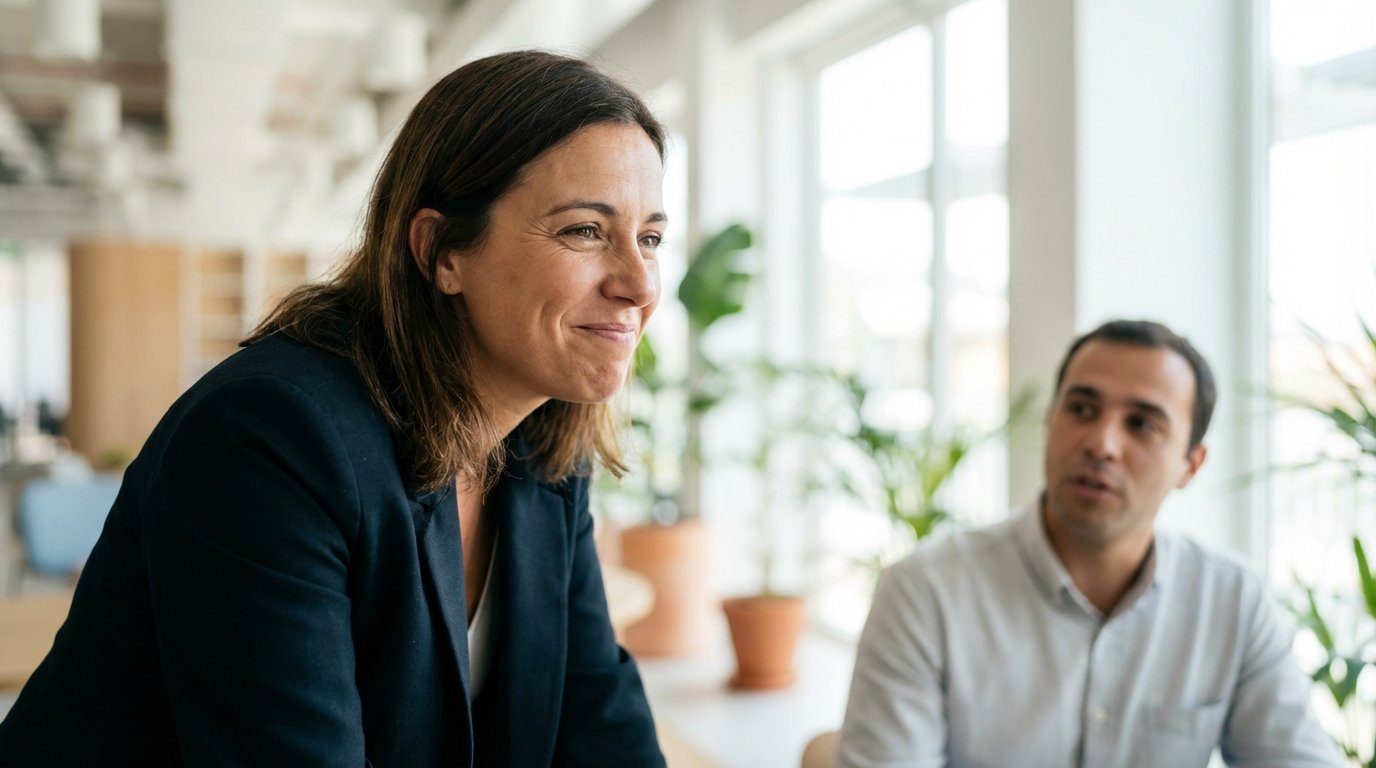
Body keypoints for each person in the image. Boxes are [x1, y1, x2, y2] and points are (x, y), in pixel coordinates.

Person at [0, 50, 668, 767]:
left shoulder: (540, 444)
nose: (639, 284)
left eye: (651, 238)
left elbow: (599, 725)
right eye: (585, 231)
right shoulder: (270, 436)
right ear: (442, 251)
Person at [837, 319, 1339, 768]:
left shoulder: (1232, 600)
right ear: (1051, 421)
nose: (1102, 443)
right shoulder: (925, 591)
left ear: (1191, 464)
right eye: (1081, 408)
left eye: (1142, 424)